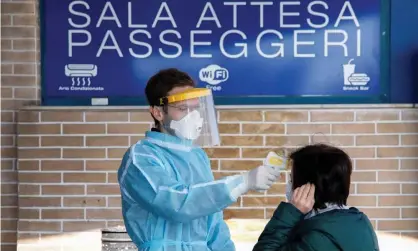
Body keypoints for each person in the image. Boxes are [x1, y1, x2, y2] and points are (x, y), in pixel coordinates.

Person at [117, 68, 282, 251]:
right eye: (182, 108)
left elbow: (213, 224)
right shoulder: (141, 156)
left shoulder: (197, 156)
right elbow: (176, 203)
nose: (192, 115)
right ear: (158, 113)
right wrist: (243, 182)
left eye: (194, 108)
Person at [252, 143, 380, 251]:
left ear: (308, 187)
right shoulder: (358, 220)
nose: (289, 184)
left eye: (291, 179)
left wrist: (290, 213)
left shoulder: (317, 236)